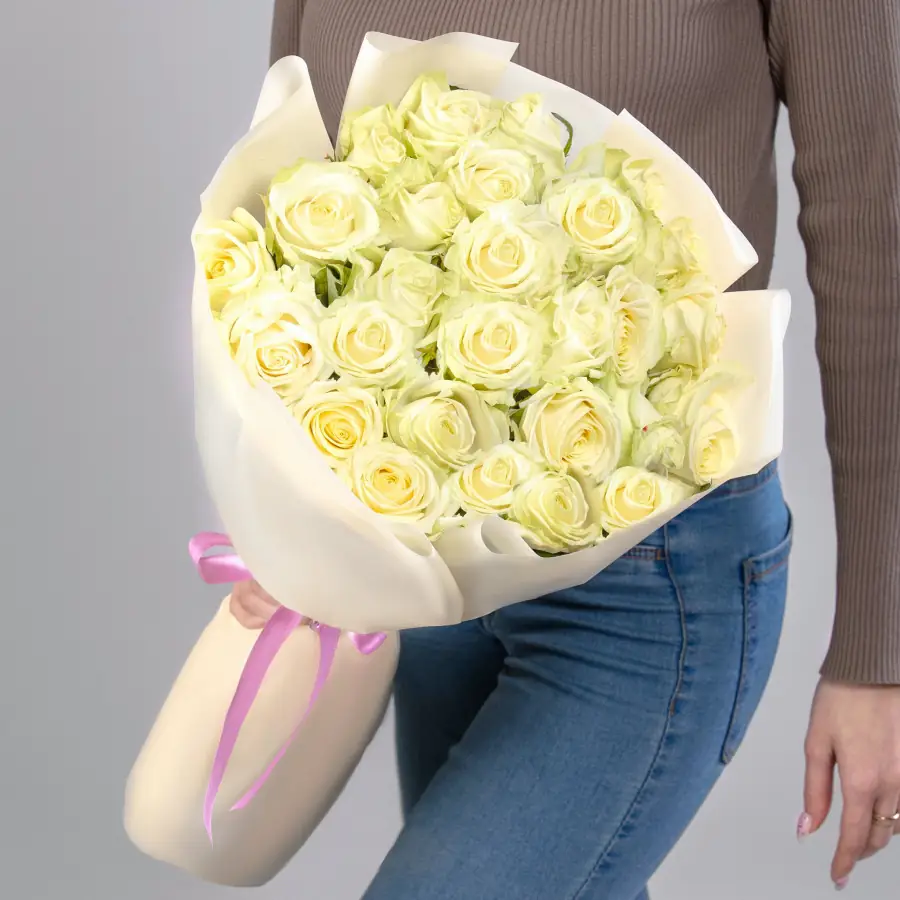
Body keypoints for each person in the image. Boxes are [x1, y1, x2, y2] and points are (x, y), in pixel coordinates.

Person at [232, 2, 900, 896]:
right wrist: (283, 503)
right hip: (420, 554)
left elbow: (872, 231)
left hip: (651, 574)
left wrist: (880, 655)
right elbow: (287, 176)